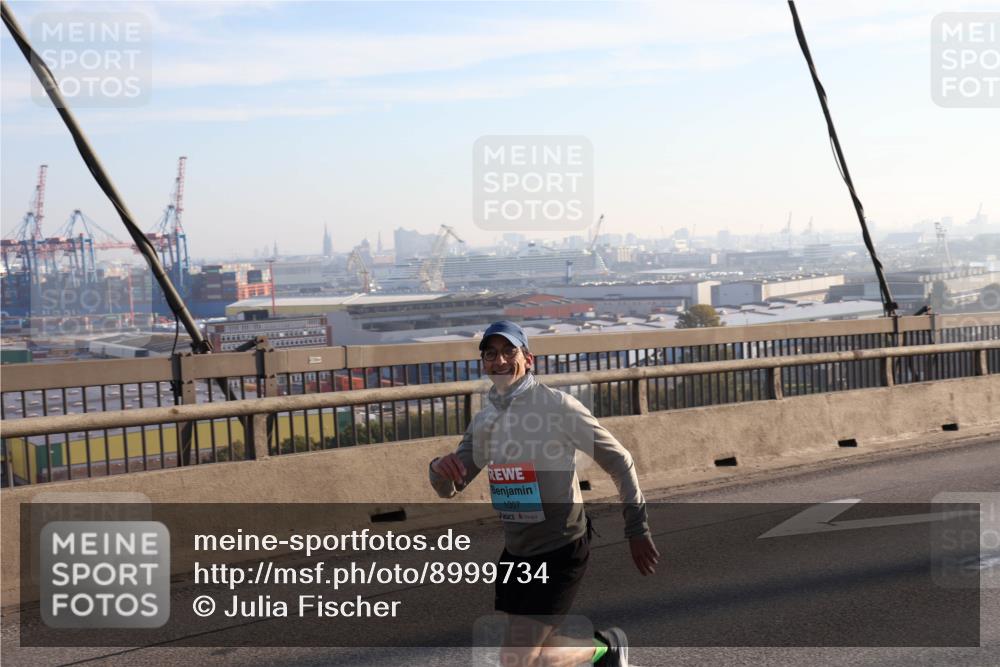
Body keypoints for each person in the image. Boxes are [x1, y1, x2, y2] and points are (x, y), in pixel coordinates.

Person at [429, 320, 659, 667]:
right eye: (491, 354)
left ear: (528, 359)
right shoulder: (485, 422)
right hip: (517, 554)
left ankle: (606, 647)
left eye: (509, 351)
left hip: (561, 548)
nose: (500, 360)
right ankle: (605, 647)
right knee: (540, 654)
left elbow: (619, 460)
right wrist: (438, 468)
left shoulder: (557, 407)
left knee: (517, 659)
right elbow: (450, 487)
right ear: (484, 364)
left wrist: (637, 528)